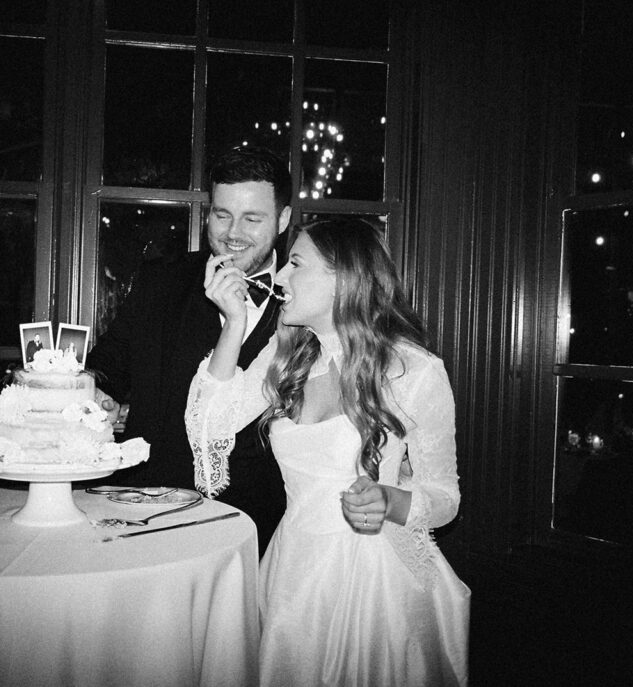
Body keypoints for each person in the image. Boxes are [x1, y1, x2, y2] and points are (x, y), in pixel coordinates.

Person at [186, 218, 470, 686]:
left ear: (345, 277)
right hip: (293, 564)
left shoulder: (414, 370)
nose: (280, 277)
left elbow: (445, 497)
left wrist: (390, 500)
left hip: (373, 580)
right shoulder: (289, 354)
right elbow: (208, 425)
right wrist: (234, 324)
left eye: (295, 264)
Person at [88, 146, 290, 555]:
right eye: (222, 215)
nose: (233, 233)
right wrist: (96, 391)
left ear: (283, 220)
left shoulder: (303, 297)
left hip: (260, 528)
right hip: (153, 516)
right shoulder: (160, 281)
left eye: (252, 218)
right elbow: (108, 364)